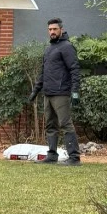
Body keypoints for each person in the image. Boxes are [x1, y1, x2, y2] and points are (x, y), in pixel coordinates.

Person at [28, 17, 82, 166]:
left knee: (65, 124)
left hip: (61, 93)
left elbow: (75, 69)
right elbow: (43, 73)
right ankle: (52, 156)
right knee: (50, 125)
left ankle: (74, 158)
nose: (52, 32)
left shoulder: (67, 47)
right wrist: (35, 91)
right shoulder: (49, 49)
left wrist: (75, 91)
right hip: (48, 93)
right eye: (50, 29)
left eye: (55, 29)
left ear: (61, 30)